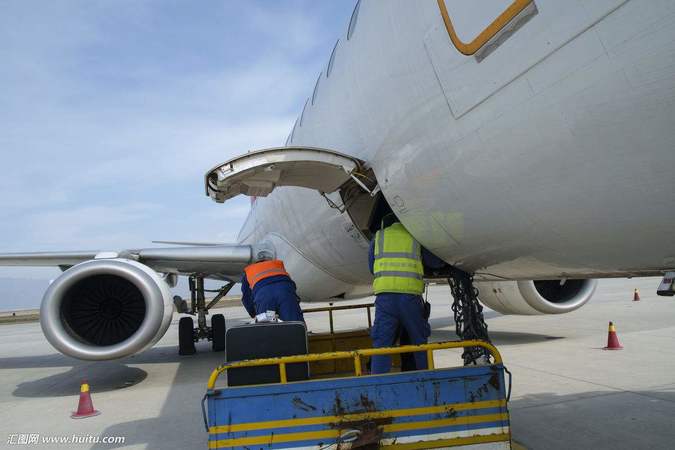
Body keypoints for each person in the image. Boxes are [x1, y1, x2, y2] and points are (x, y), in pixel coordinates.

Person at [369, 216, 442, 374]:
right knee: (419, 342)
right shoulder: (415, 236)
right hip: (409, 298)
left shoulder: (379, 237)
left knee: (382, 344)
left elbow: (371, 266)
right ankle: (426, 379)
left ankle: (378, 383)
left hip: (385, 299)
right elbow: (435, 262)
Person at [240, 256, 304, 322]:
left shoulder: (249, 271)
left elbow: (246, 297)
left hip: (265, 297)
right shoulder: (277, 265)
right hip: (285, 293)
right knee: (295, 324)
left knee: (267, 326)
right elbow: (291, 285)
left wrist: (253, 313)